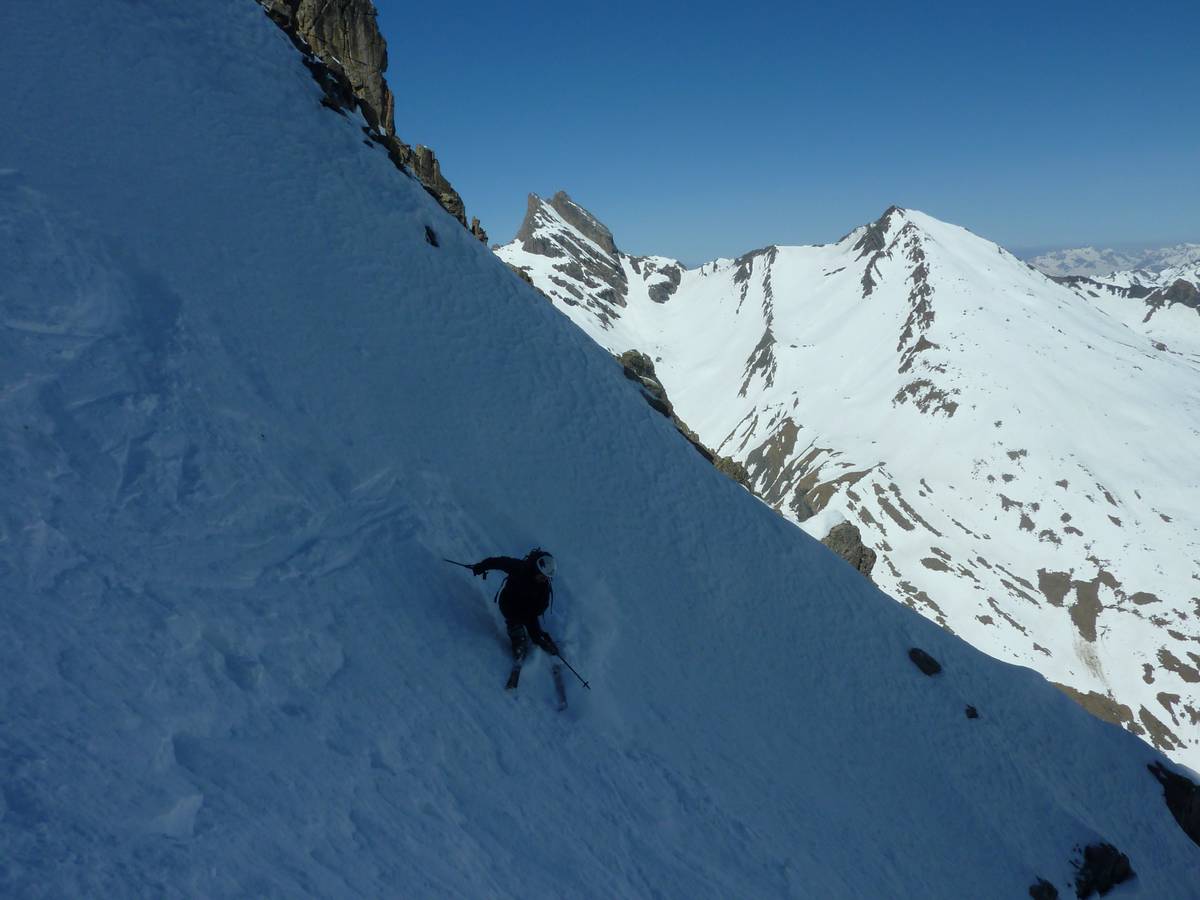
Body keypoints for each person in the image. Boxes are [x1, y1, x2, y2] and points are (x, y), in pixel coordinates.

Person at [471, 549, 559, 662]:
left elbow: (540, 606)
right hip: (509, 604)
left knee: (535, 633)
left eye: (547, 578)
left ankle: (540, 639)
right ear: (537, 569)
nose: (545, 580)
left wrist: (534, 625)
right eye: (543, 577)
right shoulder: (520, 568)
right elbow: (499, 562)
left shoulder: (544, 585)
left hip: (528, 611)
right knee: (515, 622)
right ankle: (517, 637)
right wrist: (481, 566)